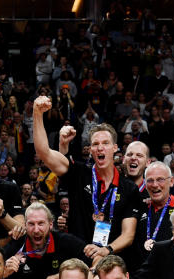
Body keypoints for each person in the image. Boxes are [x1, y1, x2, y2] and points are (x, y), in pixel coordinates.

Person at [32, 96, 139, 262]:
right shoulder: (79, 173)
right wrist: (37, 114)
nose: (100, 147)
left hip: (111, 262)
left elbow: (128, 235)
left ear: (115, 148)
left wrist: (105, 250)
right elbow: (43, 152)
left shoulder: (129, 188)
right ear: (91, 150)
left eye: (105, 143)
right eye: (95, 144)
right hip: (77, 261)